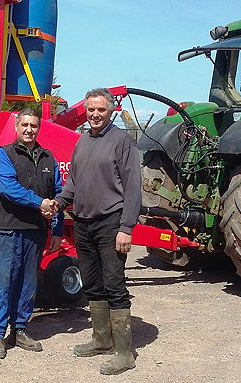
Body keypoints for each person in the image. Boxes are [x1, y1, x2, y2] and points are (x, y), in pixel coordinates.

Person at [50, 88, 141, 374]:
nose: (95, 114)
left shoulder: (121, 141)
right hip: (83, 222)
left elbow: (133, 188)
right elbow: (74, 182)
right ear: (86, 110)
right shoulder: (83, 141)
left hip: (111, 223)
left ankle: (124, 353)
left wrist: (126, 228)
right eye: (91, 109)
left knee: (114, 284)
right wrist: (59, 202)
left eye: (101, 109)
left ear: (111, 110)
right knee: (91, 283)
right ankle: (101, 339)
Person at [0, 108, 63, 359]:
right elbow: (7, 187)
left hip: (36, 232)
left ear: (39, 128)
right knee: (3, 283)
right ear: (16, 128)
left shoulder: (48, 158)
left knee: (28, 284)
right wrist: (39, 203)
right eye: (25, 125)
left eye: (34, 126)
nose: (29, 130)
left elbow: (58, 195)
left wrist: (57, 229)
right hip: (8, 229)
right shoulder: (4, 155)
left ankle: (20, 330)